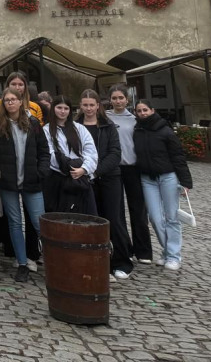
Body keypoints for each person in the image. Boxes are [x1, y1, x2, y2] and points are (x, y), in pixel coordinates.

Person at [0, 89, 50, 282]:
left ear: (20, 102)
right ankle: (22, 263)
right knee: (15, 222)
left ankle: (53, 261)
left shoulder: (33, 123)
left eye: (13, 99)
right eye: (6, 100)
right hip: (7, 182)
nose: (10, 103)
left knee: (40, 223)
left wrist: (41, 172)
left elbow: (44, 151)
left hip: (31, 180)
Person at [78, 90, 133, 279]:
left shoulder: (108, 125)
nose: (89, 108)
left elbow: (115, 153)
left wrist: (96, 171)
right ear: (81, 106)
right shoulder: (75, 126)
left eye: (91, 105)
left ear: (98, 106)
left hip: (109, 177)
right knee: (92, 220)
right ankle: (97, 261)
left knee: (113, 219)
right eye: (85, 105)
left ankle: (121, 261)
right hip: (85, 179)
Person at [134, 100, 193, 271]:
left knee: (171, 217)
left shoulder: (165, 131)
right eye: (139, 110)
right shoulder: (137, 131)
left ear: (152, 110)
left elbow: (178, 156)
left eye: (145, 110)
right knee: (154, 217)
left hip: (168, 177)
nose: (142, 113)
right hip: (147, 178)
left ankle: (173, 256)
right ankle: (167, 251)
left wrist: (185, 182)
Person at [106, 83, 153, 265]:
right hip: (114, 168)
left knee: (138, 210)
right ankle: (123, 247)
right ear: (110, 100)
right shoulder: (106, 118)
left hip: (132, 167)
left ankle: (143, 250)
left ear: (127, 99)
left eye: (121, 98)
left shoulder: (135, 119)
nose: (118, 101)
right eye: (114, 98)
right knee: (117, 211)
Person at [43, 95, 98, 215]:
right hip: (58, 180)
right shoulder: (46, 130)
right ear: (53, 108)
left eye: (66, 108)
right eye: (59, 107)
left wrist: (84, 169)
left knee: (85, 217)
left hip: (80, 179)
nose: (62, 111)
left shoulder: (79, 128)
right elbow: (49, 154)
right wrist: (69, 167)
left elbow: (91, 152)